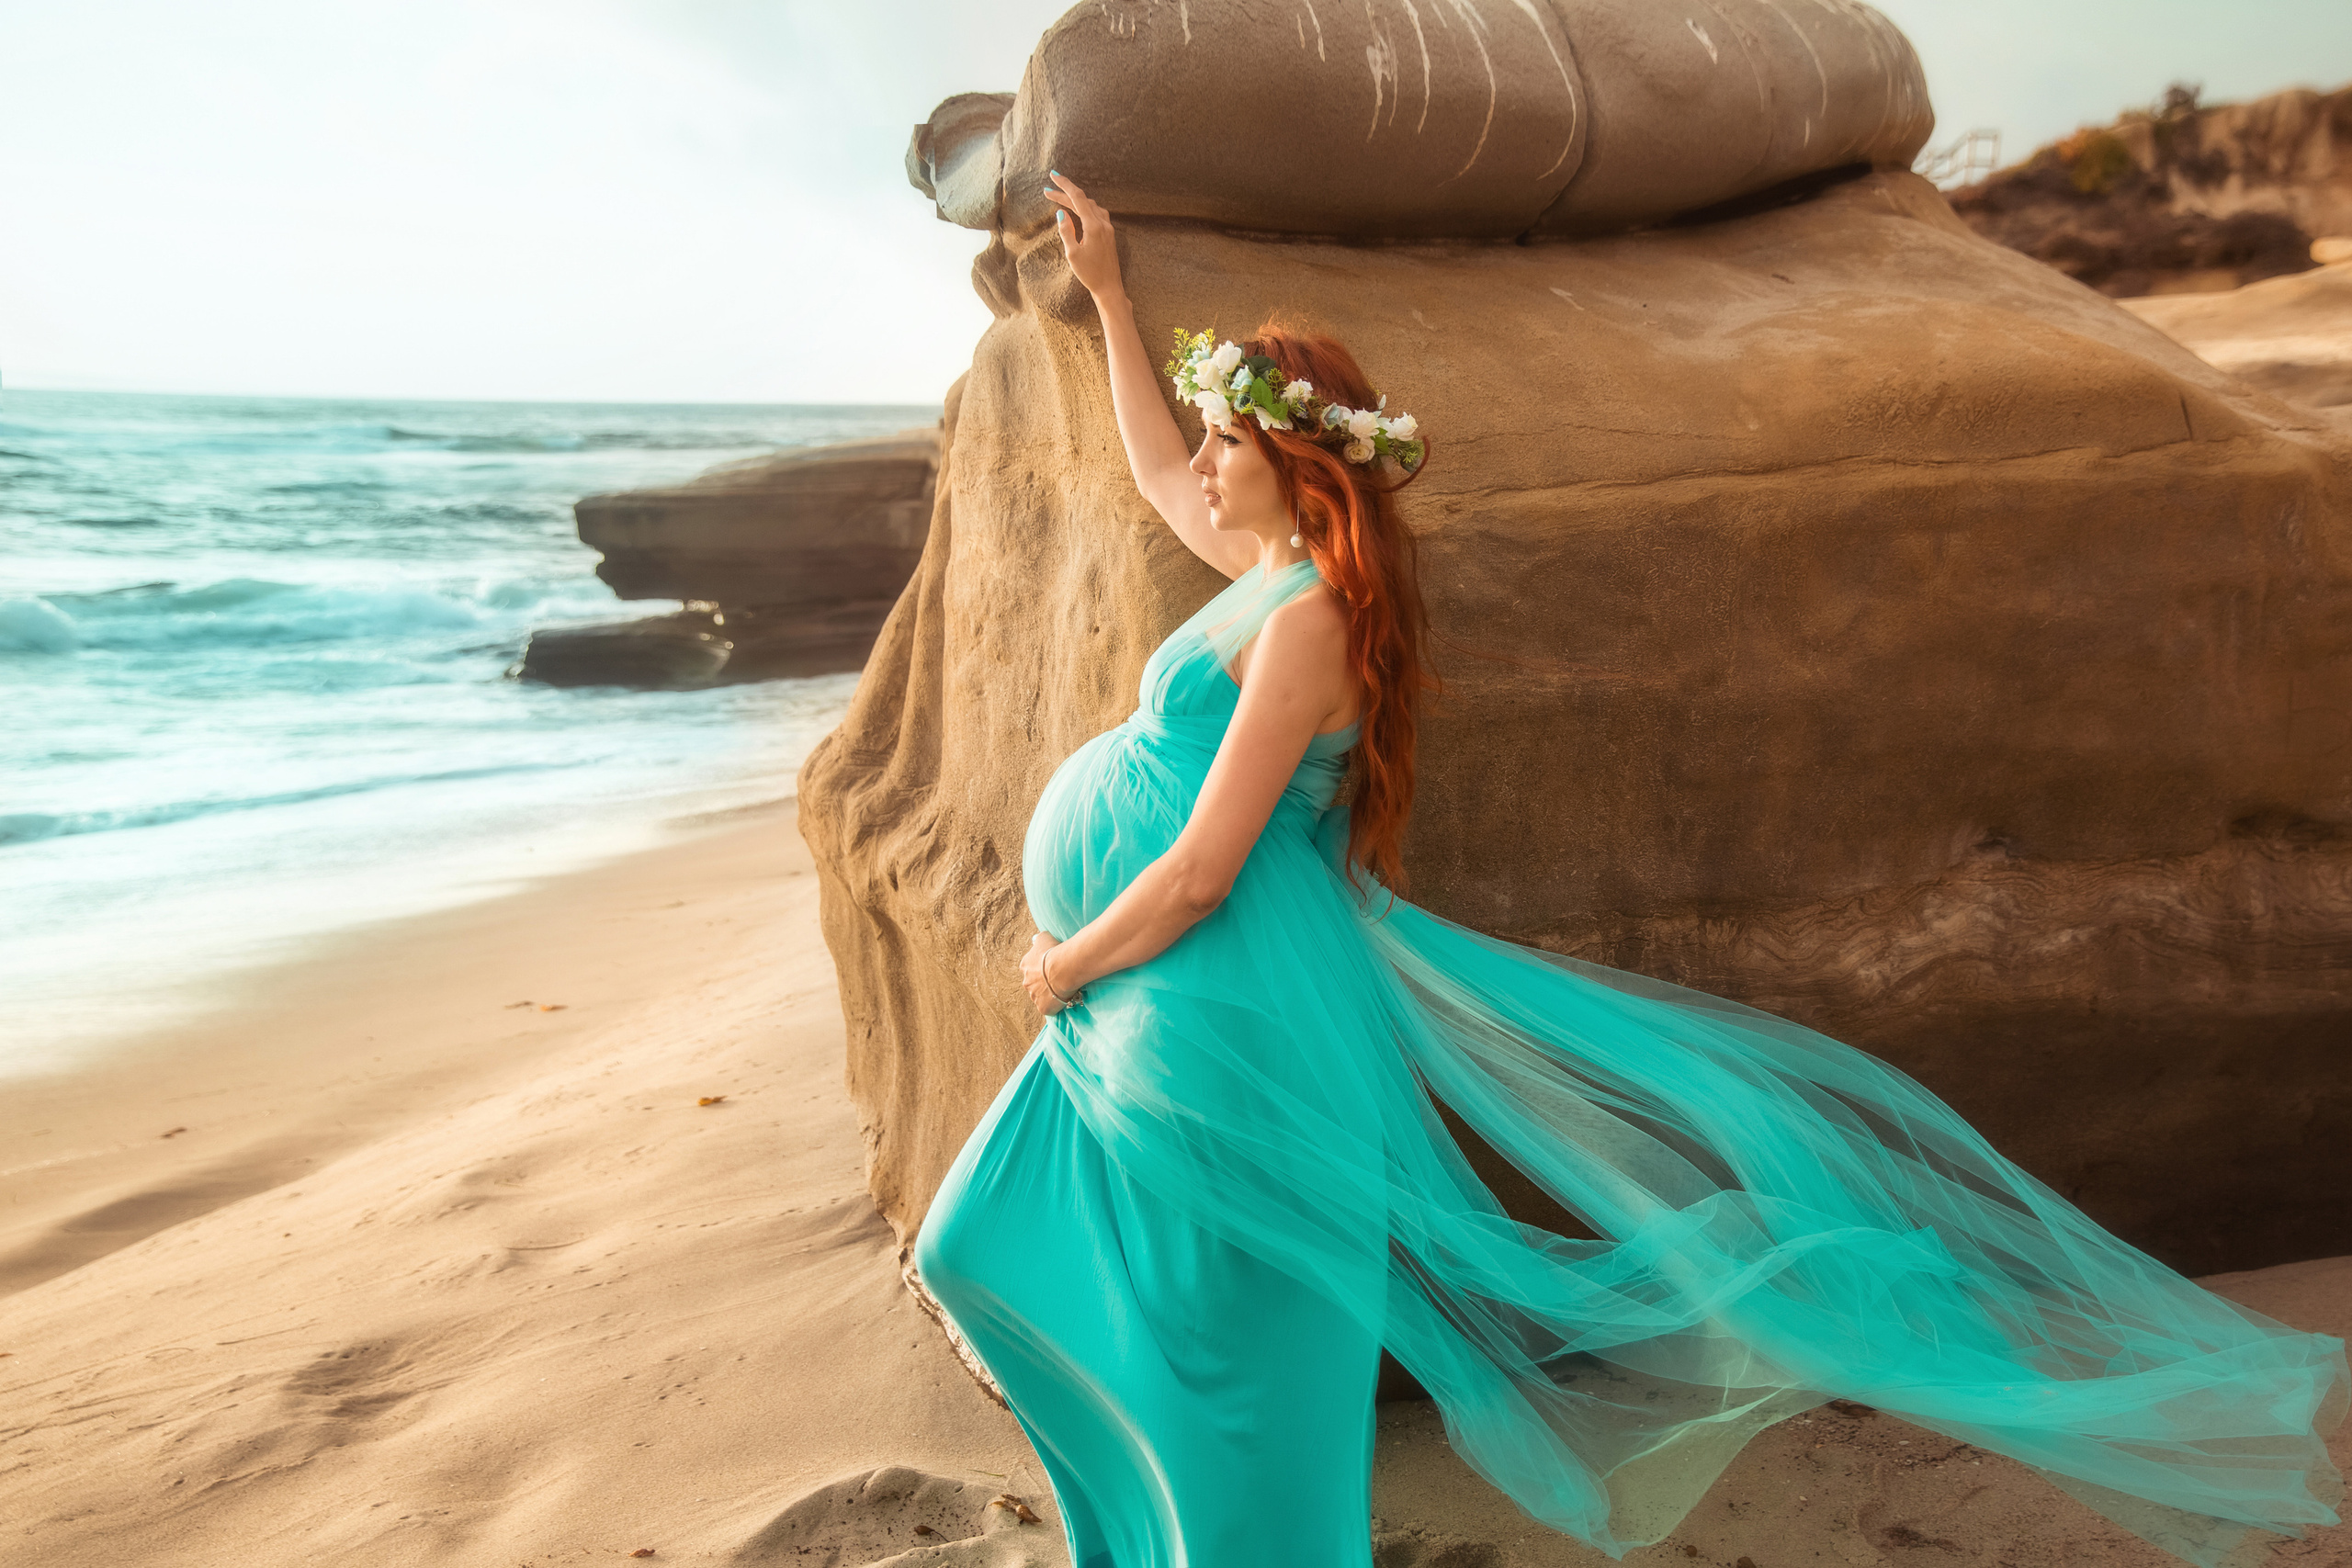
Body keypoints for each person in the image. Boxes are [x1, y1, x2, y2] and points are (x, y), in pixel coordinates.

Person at [911, 173, 2346, 1568]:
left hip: (1200, 988)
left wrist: (1067, 957)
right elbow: (1155, 466)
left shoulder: (1307, 624)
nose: (1203, 462)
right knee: (1007, 1247)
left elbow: (1204, 868)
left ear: (1297, 462)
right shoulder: (1263, 579)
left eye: (1229, 438)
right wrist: (1110, 296)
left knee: (1216, 1335)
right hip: (1177, 992)